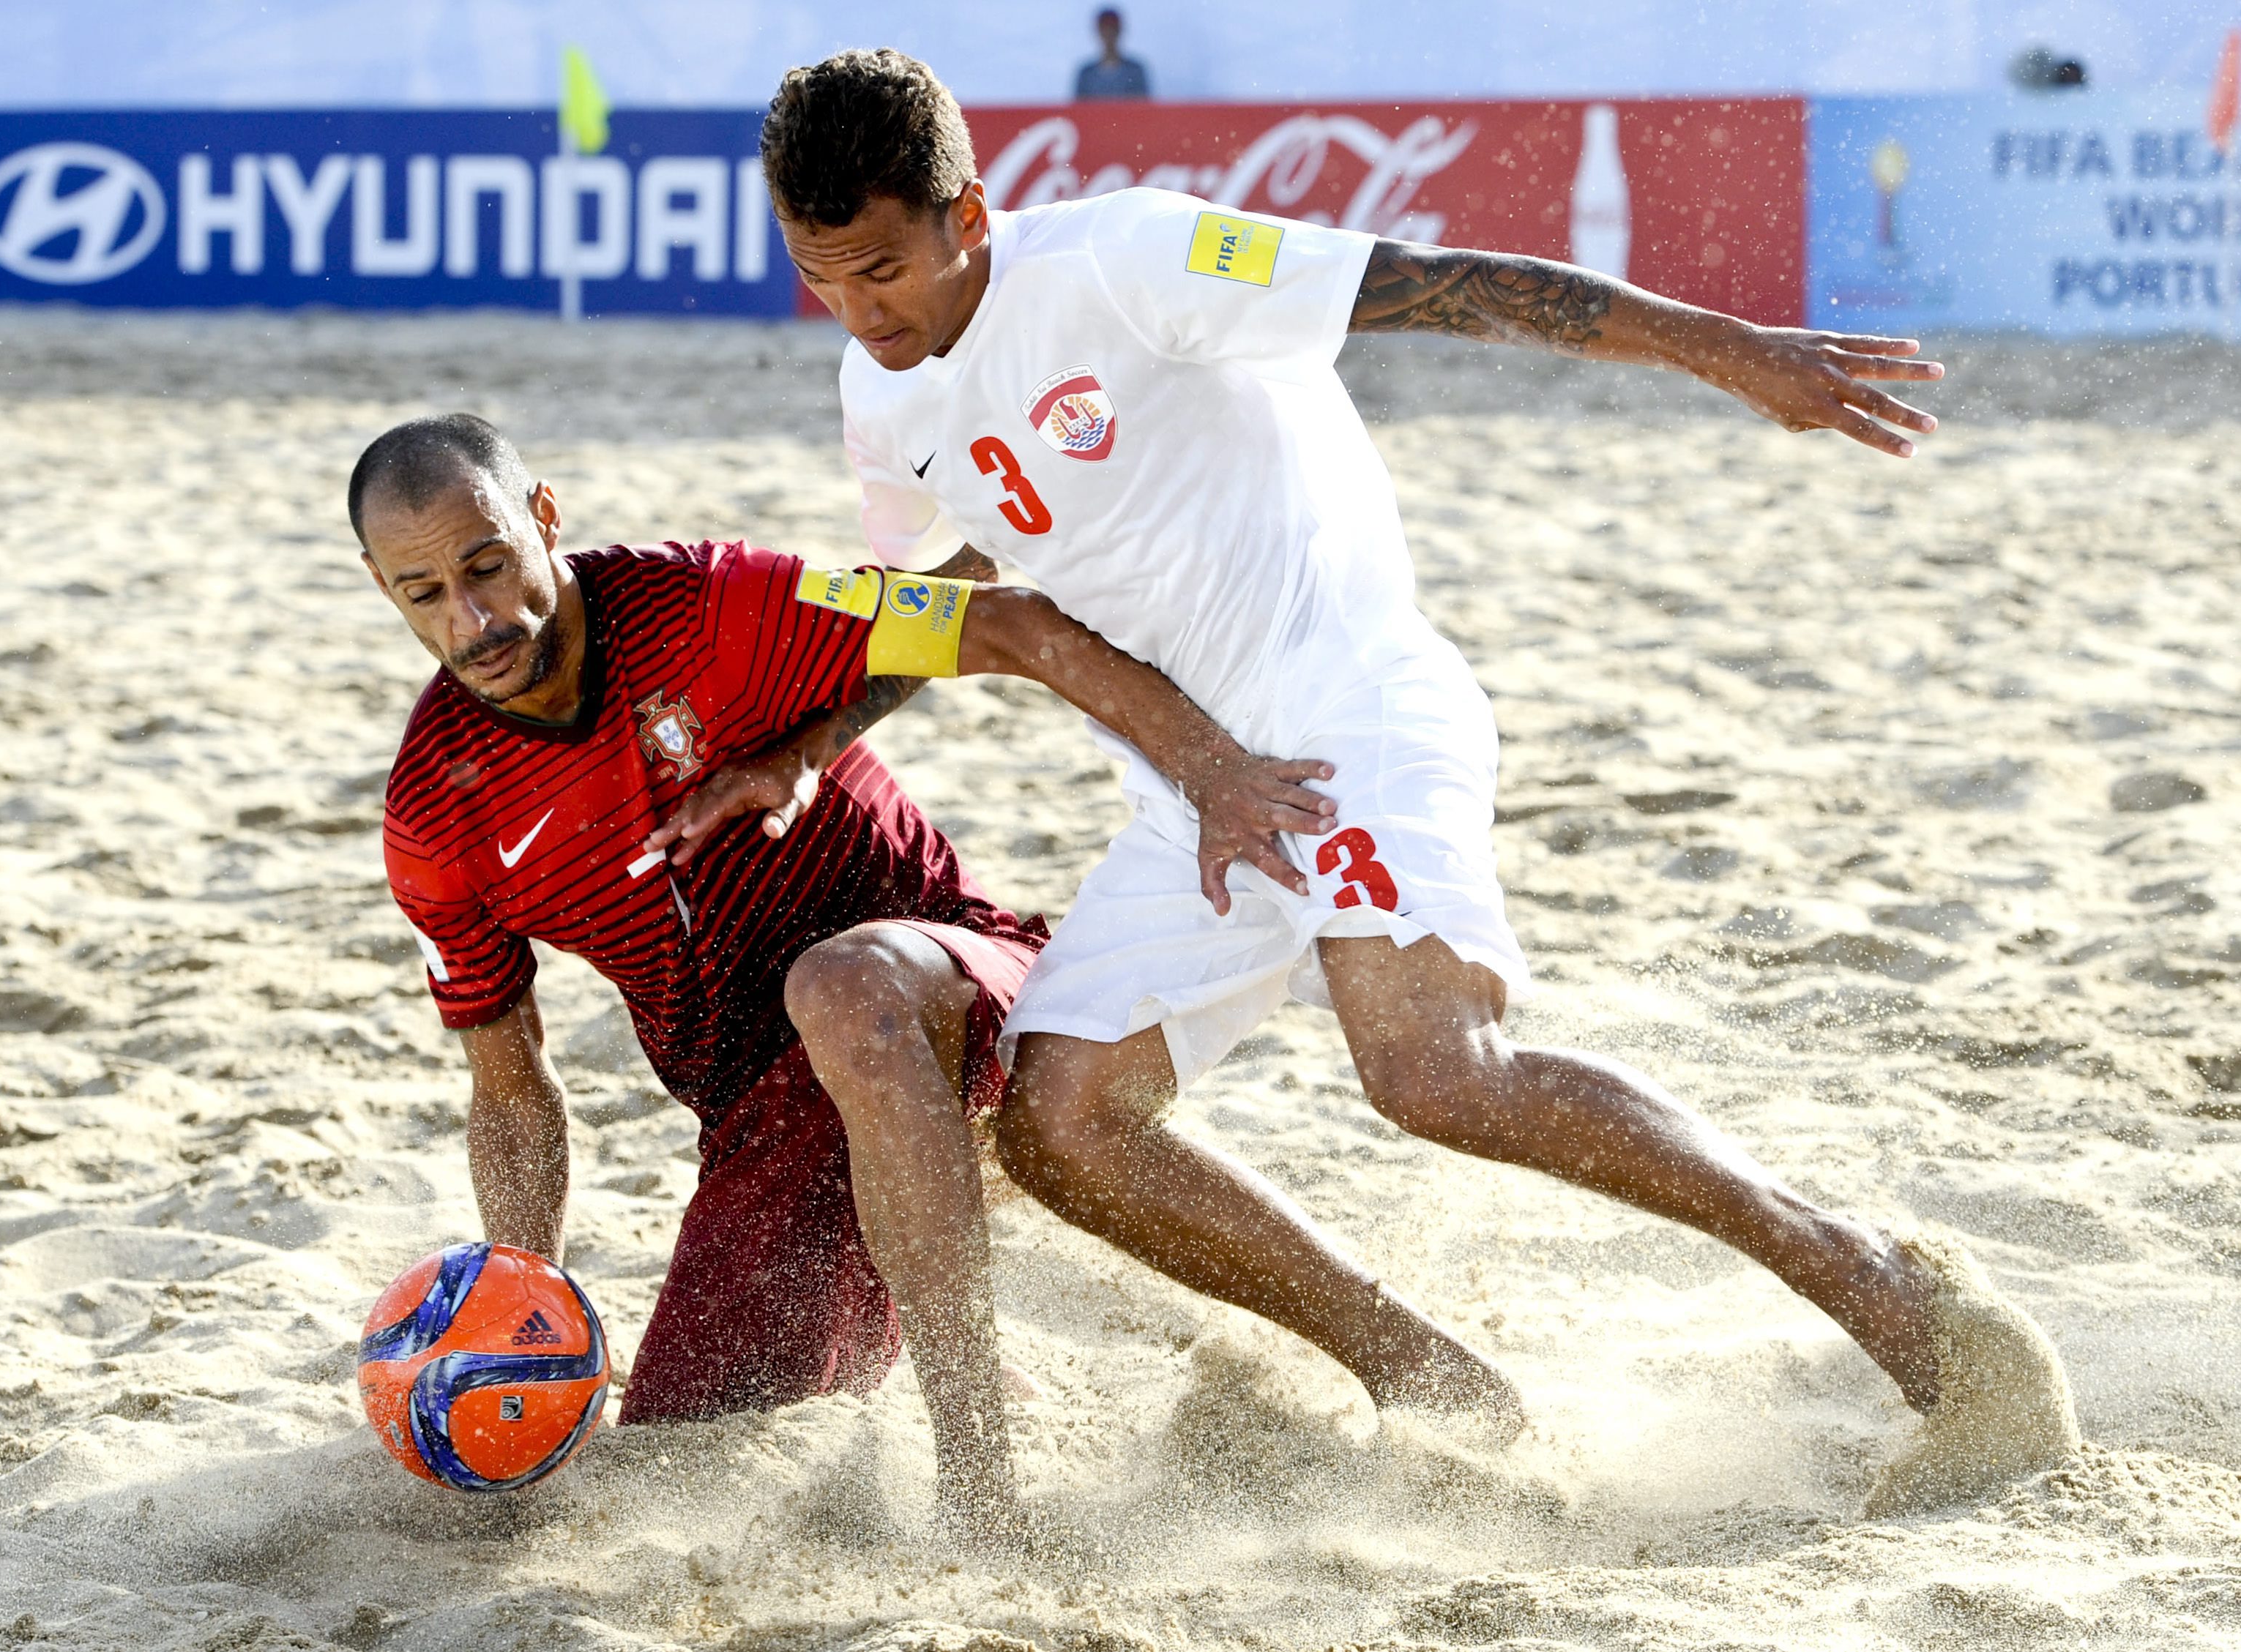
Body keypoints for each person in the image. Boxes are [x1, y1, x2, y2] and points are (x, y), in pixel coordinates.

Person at [675, 48, 2081, 1514]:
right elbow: (964, 581)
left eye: (882, 268)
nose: (859, 309)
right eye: (820, 274)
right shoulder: (878, 391)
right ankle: (1421, 1376)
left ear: (968, 213)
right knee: (1060, 1123)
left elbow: (1440, 280)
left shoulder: (1126, 254)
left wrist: (1724, 351)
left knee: (1430, 1075)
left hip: (1356, 703)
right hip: (1200, 787)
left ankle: (1863, 1272)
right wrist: (808, 743)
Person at [352, 414, 1335, 1536]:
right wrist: (516, 1293)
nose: (472, 619)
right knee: (679, 1462)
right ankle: (896, 1307)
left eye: (488, 567)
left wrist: (1215, 773)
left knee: (845, 988)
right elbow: (513, 1089)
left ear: (543, 518)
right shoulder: (434, 814)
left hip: (948, 993)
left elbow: (992, 608)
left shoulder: (711, 605)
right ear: (382, 587)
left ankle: (981, 1479)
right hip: (770, 1133)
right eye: (423, 592)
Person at [1073, 9, 1150, 101]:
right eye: (1105, 30)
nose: (1109, 34)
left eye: (1113, 30)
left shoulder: (1135, 71)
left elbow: (1142, 108)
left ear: (1119, 31)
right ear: (1099, 32)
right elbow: (1079, 110)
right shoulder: (1086, 74)